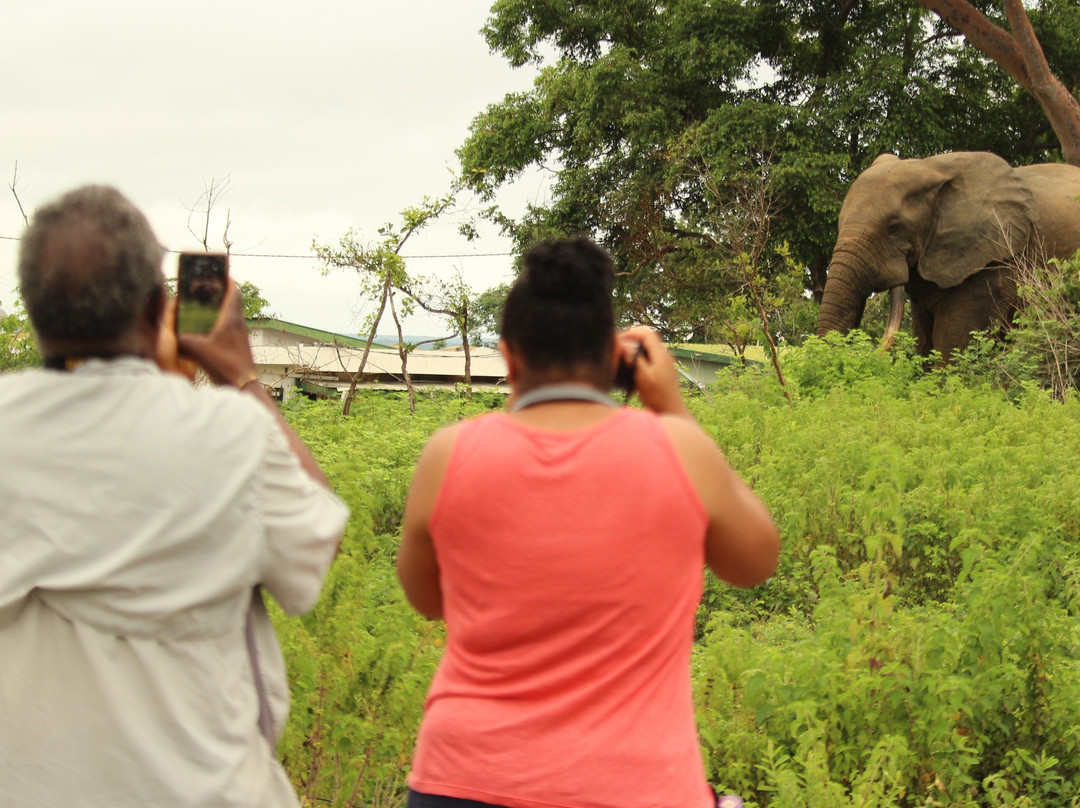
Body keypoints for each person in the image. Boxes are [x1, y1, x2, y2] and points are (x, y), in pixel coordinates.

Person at [397, 236, 780, 808]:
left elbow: (429, 600)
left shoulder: (447, 454)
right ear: (614, 356)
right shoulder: (677, 447)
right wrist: (673, 410)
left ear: (509, 356)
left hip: (463, 779)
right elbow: (756, 563)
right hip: (633, 785)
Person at [0, 185, 349, 807]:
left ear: (33, 306)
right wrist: (239, 374)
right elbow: (317, 544)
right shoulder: (231, 434)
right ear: (157, 304)